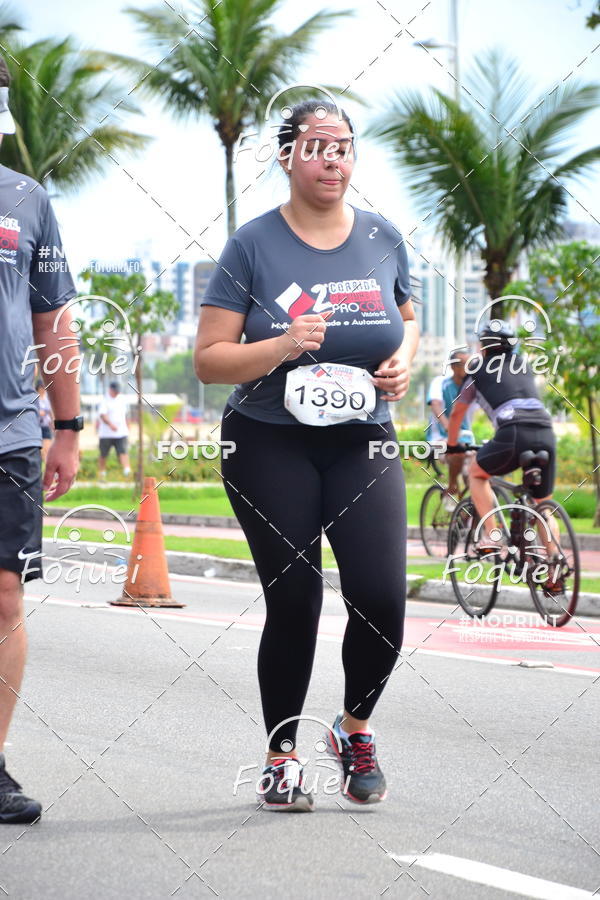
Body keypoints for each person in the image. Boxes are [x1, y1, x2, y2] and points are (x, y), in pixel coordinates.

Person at [194, 99, 418, 811]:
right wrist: (285, 345)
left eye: (345, 146)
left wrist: (404, 364)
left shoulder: (383, 236)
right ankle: (282, 756)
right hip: (268, 440)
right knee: (296, 597)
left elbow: (405, 321)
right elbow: (209, 361)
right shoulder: (253, 245)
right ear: (287, 156)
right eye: (318, 146)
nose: (333, 158)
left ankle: (353, 730)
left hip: (363, 438)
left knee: (381, 597)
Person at [0, 55, 82, 824]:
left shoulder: (26, 199)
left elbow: (52, 320)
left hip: (11, 436)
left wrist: (68, 425)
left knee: (3, 597)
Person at [446, 320, 557, 555]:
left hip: (514, 432)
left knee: (476, 473)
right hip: (546, 432)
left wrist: (452, 446)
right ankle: (555, 567)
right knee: (542, 506)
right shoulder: (523, 365)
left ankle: (493, 536)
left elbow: (456, 414)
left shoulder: (477, 370)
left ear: (483, 348)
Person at [97, 382, 131, 479]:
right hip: (106, 434)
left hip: (121, 432)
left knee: (123, 452)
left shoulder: (122, 399)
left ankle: (127, 471)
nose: (116, 393)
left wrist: (128, 425)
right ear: (110, 389)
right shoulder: (104, 400)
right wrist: (110, 425)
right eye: (115, 391)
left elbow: (126, 414)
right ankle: (102, 473)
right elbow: (103, 415)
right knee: (103, 454)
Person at [35, 379, 53, 461]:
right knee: (40, 450)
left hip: (46, 425)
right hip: (37, 426)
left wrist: (53, 423)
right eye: (40, 388)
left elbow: (50, 412)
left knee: (47, 448)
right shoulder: (35, 399)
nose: (42, 390)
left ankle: (46, 465)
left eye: (43, 388)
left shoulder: (47, 399)